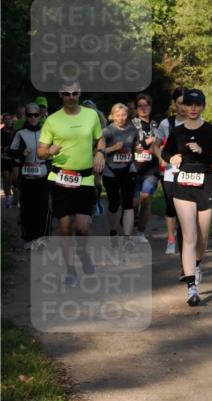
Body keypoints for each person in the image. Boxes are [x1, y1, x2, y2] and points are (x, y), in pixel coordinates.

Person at [161, 89, 212, 306]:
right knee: (189, 236)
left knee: (202, 238)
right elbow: (165, 152)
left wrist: (202, 151)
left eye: (196, 105)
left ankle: (196, 264)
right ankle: (191, 287)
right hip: (183, 185)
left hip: (206, 183)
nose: (192, 108)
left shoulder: (211, 131)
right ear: (182, 107)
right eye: (188, 104)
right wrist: (173, 157)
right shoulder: (177, 131)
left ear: (203, 107)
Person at [37, 81, 104, 285]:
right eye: (67, 94)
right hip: (59, 178)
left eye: (75, 93)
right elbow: (40, 152)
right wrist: (48, 152)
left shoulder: (91, 115)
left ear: (80, 93)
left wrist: (100, 152)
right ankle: (70, 271)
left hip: (84, 179)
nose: (71, 97)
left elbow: (100, 138)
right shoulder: (52, 120)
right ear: (60, 94)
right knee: (64, 227)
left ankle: (84, 255)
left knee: (83, 227)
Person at [10, 103, 50, 247]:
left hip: (43, 175)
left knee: (43, 207)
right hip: (27, 177)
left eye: (35, 115)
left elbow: (55, 151)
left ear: (40, 116)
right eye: (29, 115)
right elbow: (11, 151)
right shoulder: (20, 133)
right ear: (26, 117)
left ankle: (42, 238)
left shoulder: (47, 132)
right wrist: (21, 153)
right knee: (27, 207)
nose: (33, 118)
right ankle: (28, 238)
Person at [98, 103, 139, 243]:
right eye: (118, 115)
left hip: (128, 169)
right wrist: (114, 148)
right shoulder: (107, 131)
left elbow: (135, 146)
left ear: (127, 116)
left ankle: (127, 237)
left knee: (128, 203)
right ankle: (113, 230)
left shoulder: (133, 131)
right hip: (111, 171)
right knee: (114, 203)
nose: (121, 118)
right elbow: (98, 152)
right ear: (112, 116)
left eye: (123, 115)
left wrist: (137, 150)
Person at [154, 87, 187, 255]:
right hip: (170, 172)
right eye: (180, 103)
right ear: (174, 104)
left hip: (190, 173)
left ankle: (187, 240)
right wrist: (162, 157)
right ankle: (171, 239)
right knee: (171, 207)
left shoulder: (197, 121)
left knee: (188, 208)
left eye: (187, 103)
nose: (184, 107)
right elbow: (156, 145)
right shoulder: (167, 123)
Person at [131, 93, 161, 242]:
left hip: (151, 169)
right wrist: (147, 142)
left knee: (146, 198)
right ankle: (132, 222)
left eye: (146, 105)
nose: (143, 108)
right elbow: (129, 144)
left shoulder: (157, 125)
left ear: (150, 106)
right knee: (134, 202)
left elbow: (161, 143)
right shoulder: (130, 124)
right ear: (136, 108)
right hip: (133, 168)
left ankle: (141, 232)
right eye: (140, 106)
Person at [1, 112, 17, 207]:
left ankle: (14, 197)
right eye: (6, 119)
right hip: (3, 158)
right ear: (3, 121)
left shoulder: (14, 132)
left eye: (9, 119)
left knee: (13, 179)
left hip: (13, 159)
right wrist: (4, 149)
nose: (8, 121)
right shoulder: (0, 132)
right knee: (6, 179)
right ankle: (8, 199)